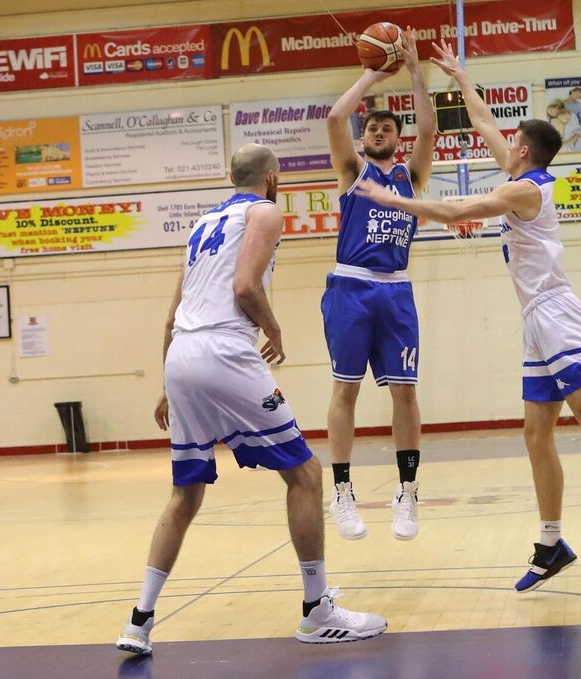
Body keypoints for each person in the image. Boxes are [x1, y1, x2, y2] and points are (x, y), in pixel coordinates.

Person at [356, 41, 581, 592]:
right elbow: (485, 122)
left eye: (512, 143)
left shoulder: (526, 190)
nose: (503, 146)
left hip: (557, 315)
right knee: (536, 435)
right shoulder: (523, 176)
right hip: (536, 320)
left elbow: (458, 210)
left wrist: (391, 201)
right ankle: (552, 542)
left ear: (525, 151)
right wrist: (462, 80)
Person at [115, 144, 386, 655]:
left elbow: (174, 314)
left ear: (228, 176)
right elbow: (244, 286)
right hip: (224, 349)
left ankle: (138, 622)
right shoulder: (265, 210)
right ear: (274, 176)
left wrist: (167, 384)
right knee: (305, 475)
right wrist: (275, 329)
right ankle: (316, 611)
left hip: (183, 357)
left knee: (185, 495)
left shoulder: (200, 225)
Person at [323, 28, 435, 541]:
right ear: (366, 138)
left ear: (398, 138)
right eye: (374, 128)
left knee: (406, 395)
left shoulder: (409, 180)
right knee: (344, 389)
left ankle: (407, 491)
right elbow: (333, 118)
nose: (380, 132)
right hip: (350, 288)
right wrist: (373, 71)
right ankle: (342, 491)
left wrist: (413, 70)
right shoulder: (352, 170)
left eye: (389, 128)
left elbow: (430, 131)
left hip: (396, 289)